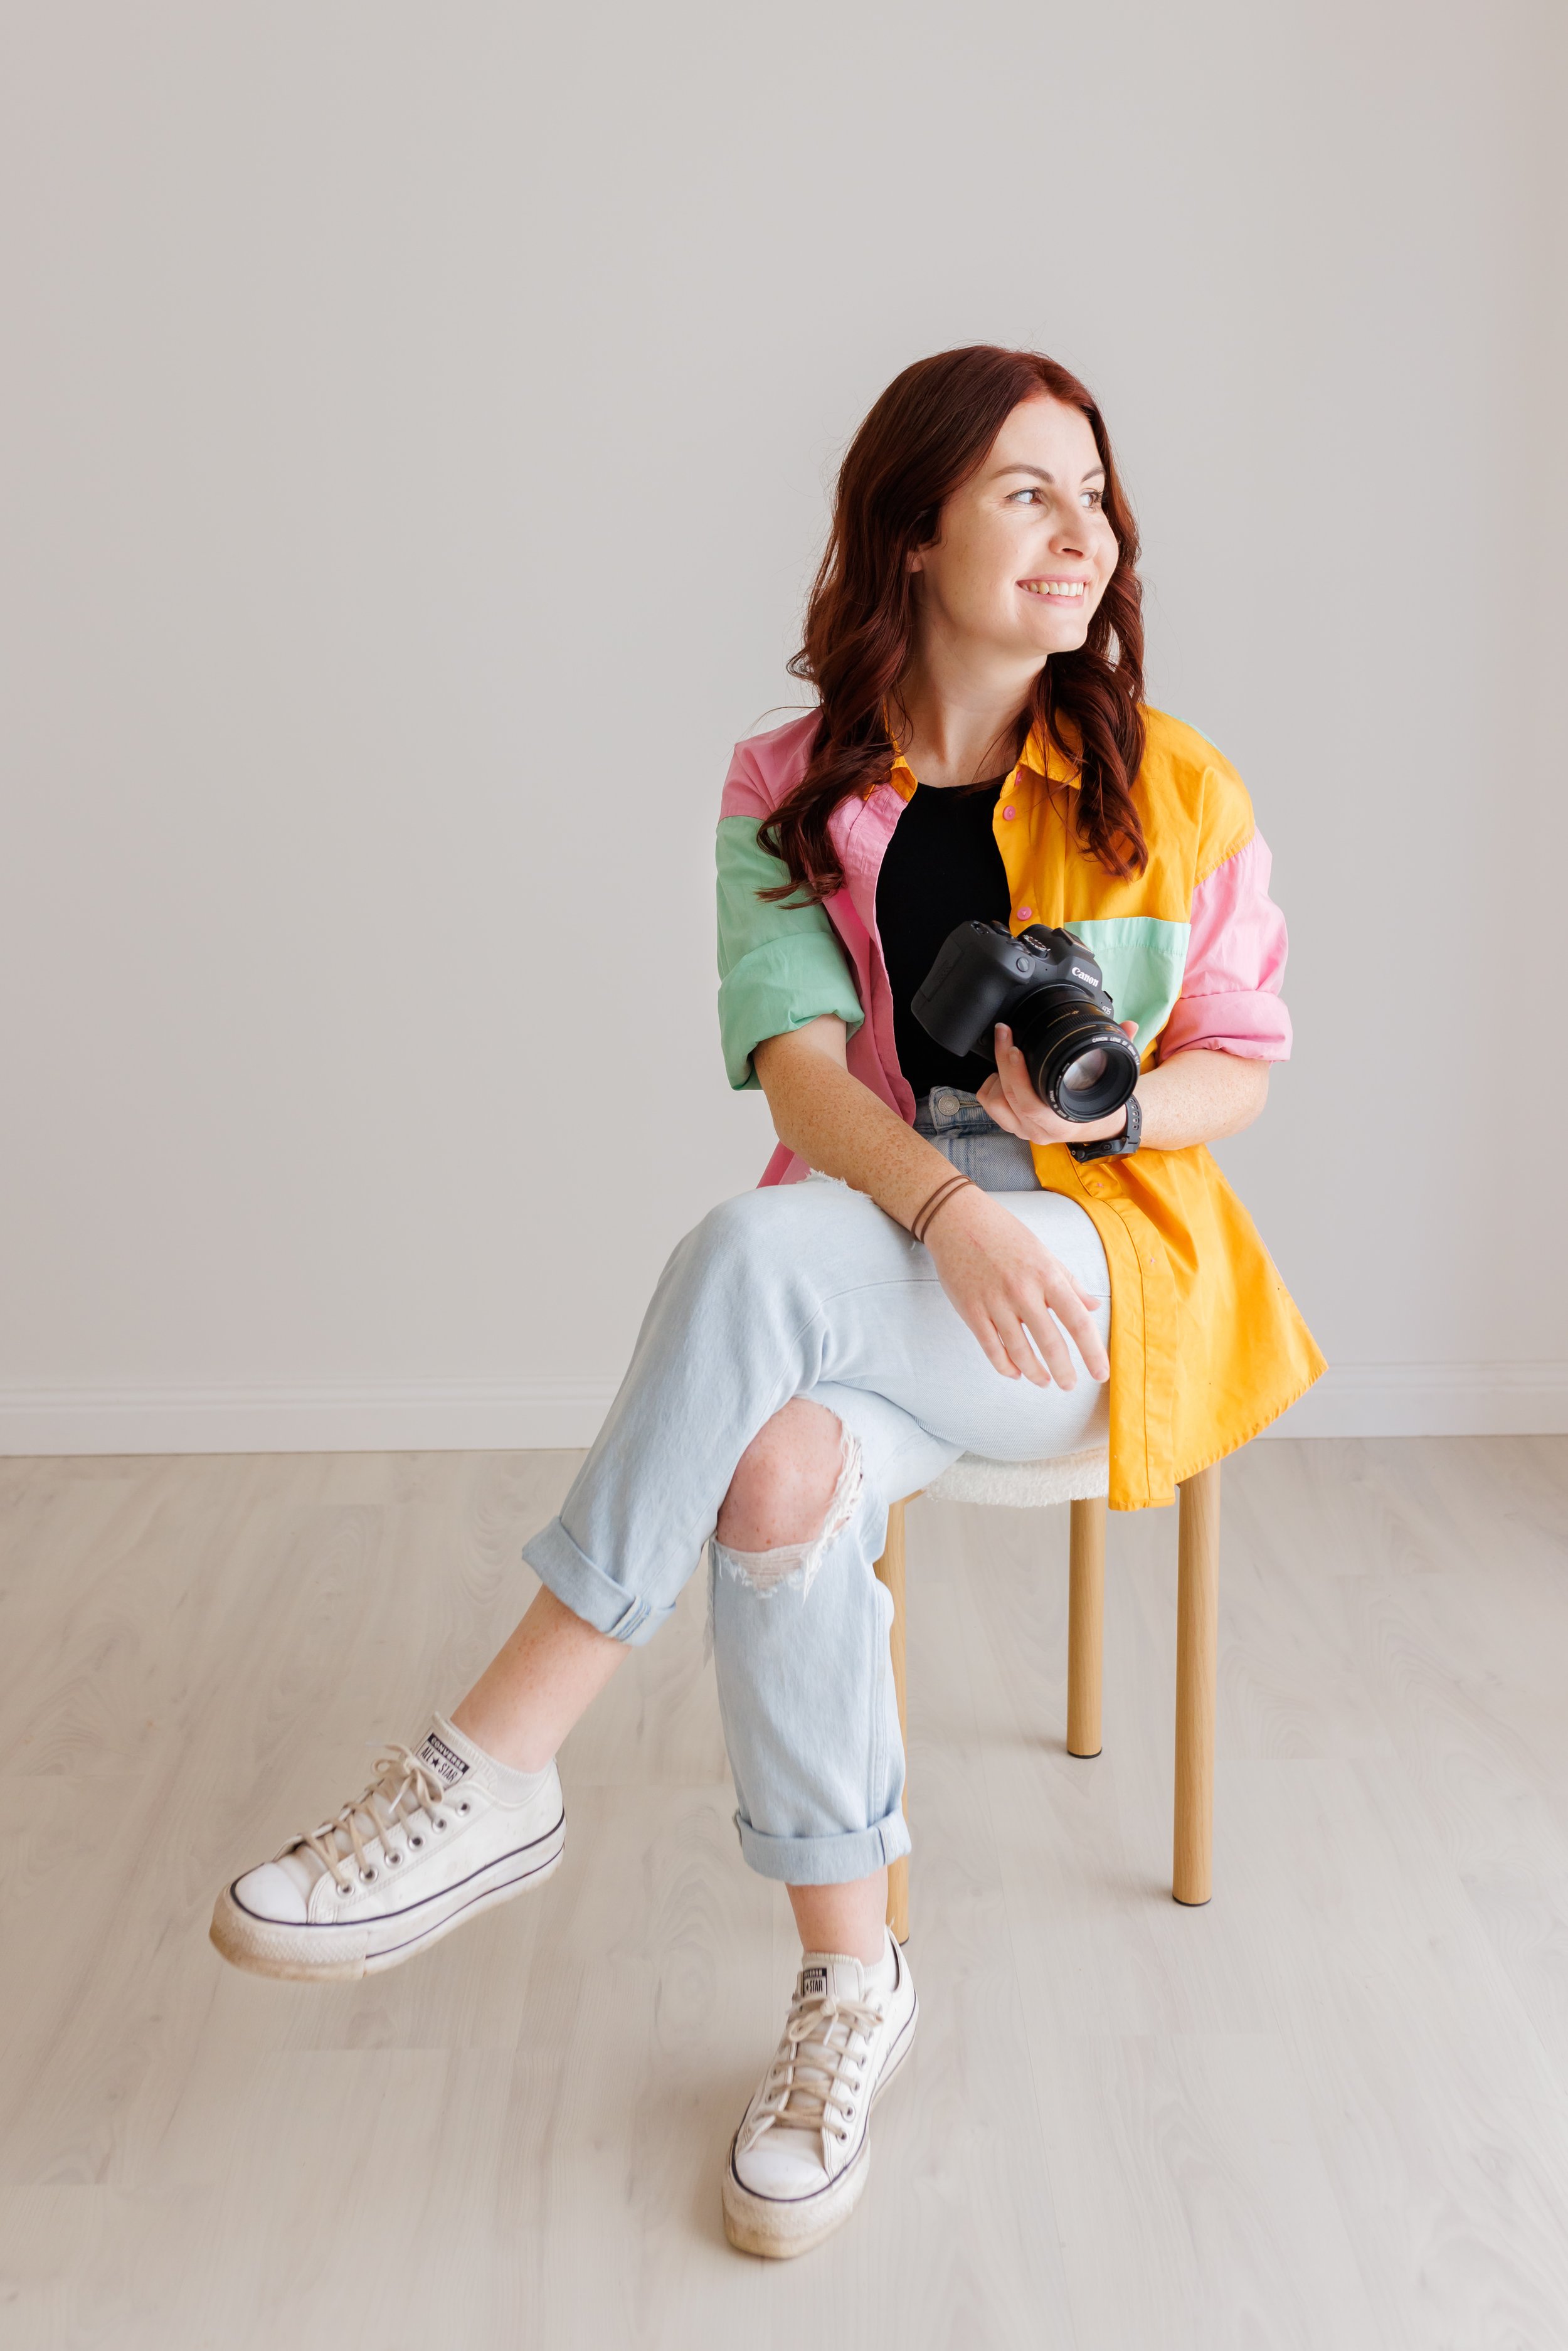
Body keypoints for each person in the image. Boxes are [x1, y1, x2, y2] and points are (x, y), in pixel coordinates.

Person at [210, 345, 1325, 2260]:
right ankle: (850, 1980)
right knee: (779, 1481)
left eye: (1094, 493)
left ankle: (492, 1764)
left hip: (1094, 1285)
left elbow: (1244, 1052)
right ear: (913, 533)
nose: (1084, 534)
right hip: (882, 1266)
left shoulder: (1174, 787)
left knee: (747, 1261)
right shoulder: (786, 789)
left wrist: (1104, 1108)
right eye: (1026, 493)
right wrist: (934, 1208)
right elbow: (799, 1072)